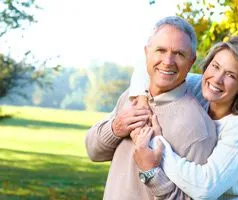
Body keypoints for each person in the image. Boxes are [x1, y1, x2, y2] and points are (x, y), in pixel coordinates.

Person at [85, 16, 217, 200]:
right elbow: (93, 151)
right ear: (147, 53)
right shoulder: (131, 97)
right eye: (160, 50)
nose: (168, 61)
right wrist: (116, 128)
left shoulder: (197, 128)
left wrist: (152, 173)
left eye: (179, 54)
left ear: (191, 61)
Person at [130, 36, 238, 199]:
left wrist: (156, 143)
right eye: (215, 66)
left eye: (231, 75)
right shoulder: (199, 87)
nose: (217, 79)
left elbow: (204, 188)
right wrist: (141, 100)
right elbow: (145, 66)